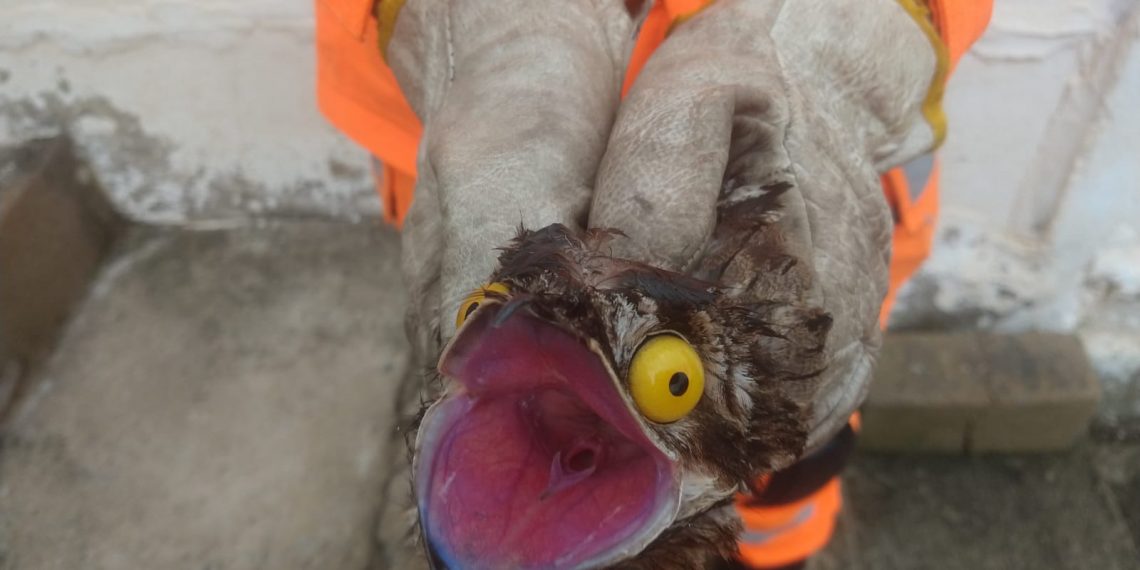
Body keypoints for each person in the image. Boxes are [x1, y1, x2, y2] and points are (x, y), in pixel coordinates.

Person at [314, 1, 992, 567]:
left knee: (785, 474)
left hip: (802, 215)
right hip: (463, 135)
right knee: (473, 334)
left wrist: (848, 37)